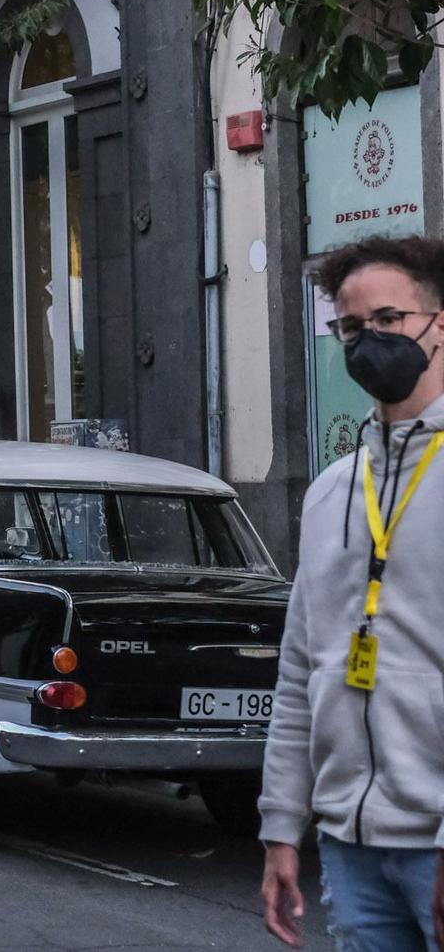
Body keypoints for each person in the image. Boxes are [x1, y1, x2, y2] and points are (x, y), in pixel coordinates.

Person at [261, 234, 444, 951]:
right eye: (350, 327)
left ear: (438, 324)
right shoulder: (333, 490)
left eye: (389, 320)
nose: (369, 341)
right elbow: (300, 670)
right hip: (349, 844)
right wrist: (281, 827)